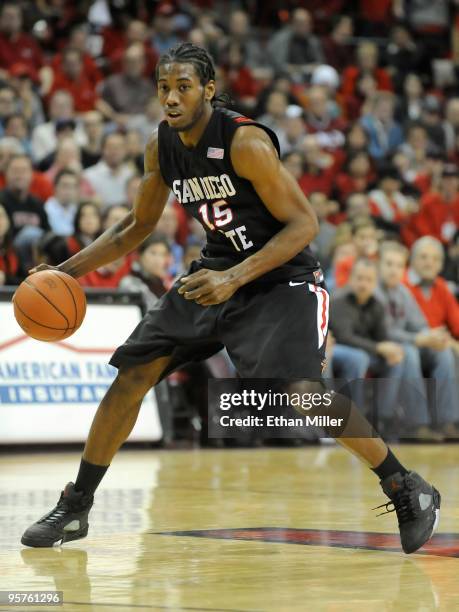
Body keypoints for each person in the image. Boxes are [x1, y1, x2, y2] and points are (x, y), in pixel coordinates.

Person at [22, 43, 440, 555]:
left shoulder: (245, 142)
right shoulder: (161, 145)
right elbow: (138, 225)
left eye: (183, 87)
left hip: (280, 278)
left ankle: (405, 486)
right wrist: (64, 272)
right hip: (217, 271)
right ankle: (76, 505)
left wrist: (236, 278)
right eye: (163, 88)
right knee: (133, 374)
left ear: (209, 90)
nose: (171, 98)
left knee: (300, 394)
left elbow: (304, 224)